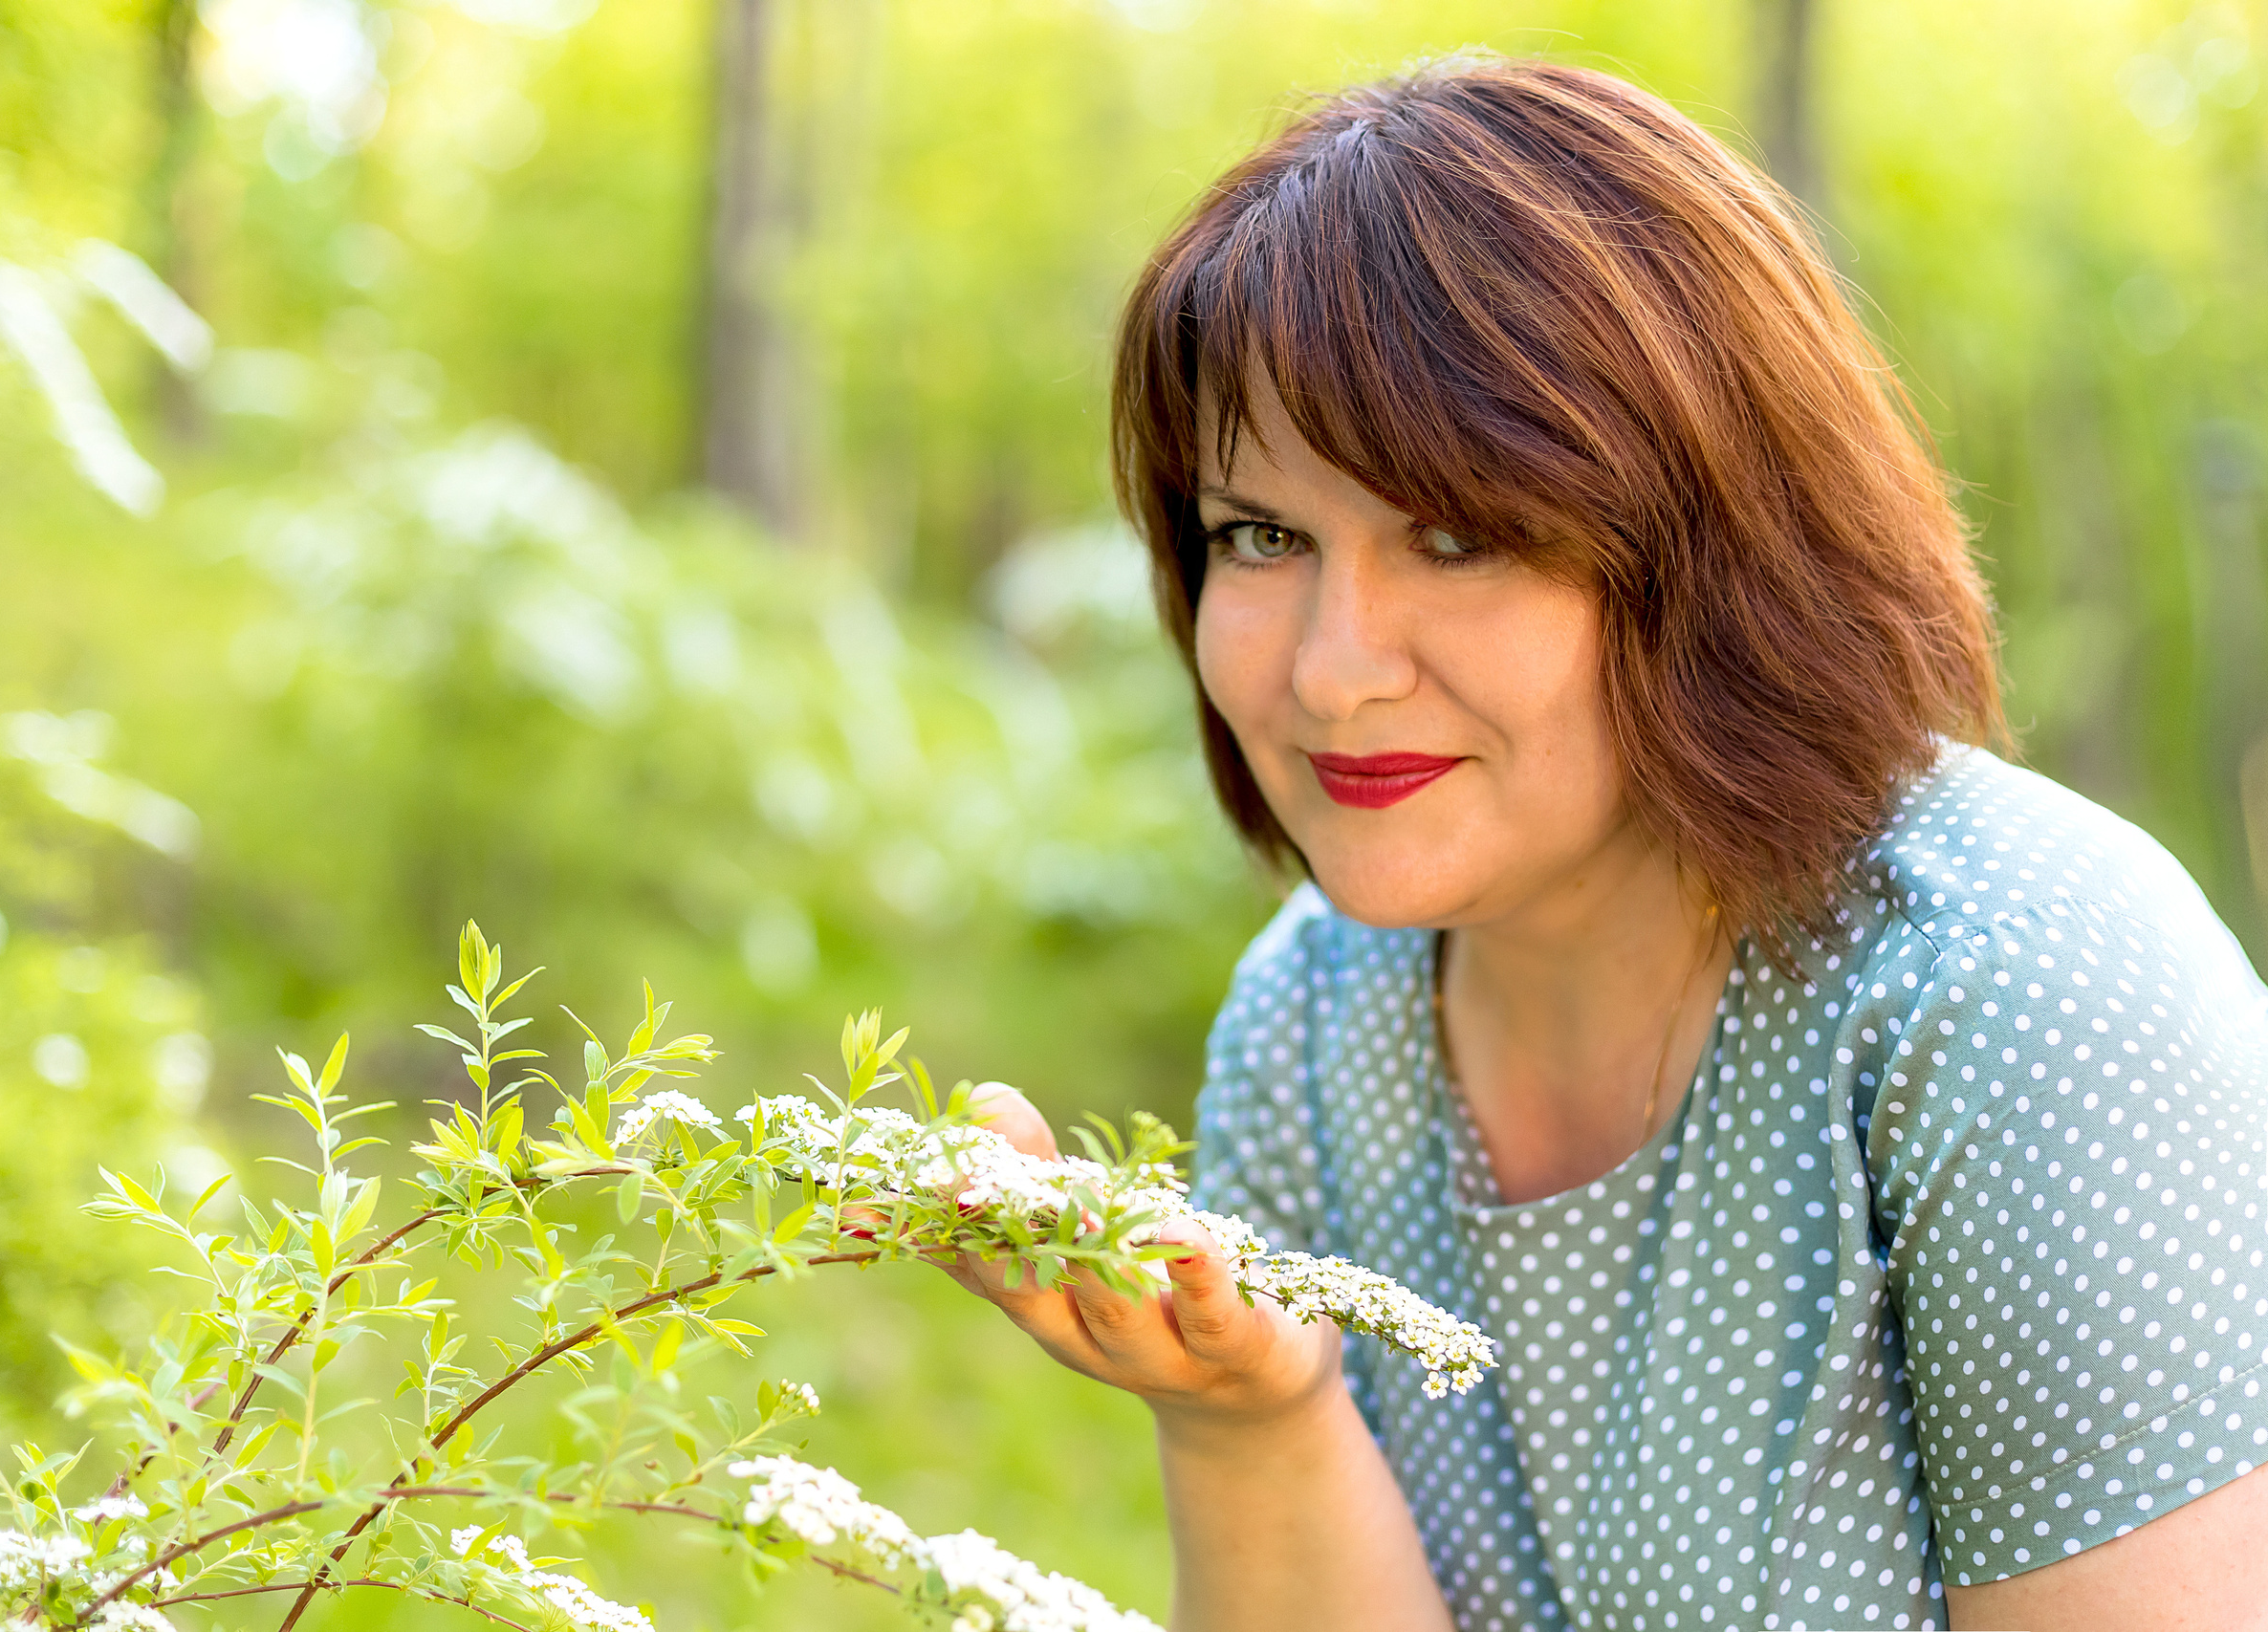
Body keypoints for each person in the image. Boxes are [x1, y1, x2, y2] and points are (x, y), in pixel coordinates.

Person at [943, 52, 2268, 1632]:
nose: (1329, 668)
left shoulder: (2018, 995)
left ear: (1718, 548)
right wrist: (1252, 1416)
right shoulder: (1315, 1021)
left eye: (1459, 536)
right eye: (1264, 536)